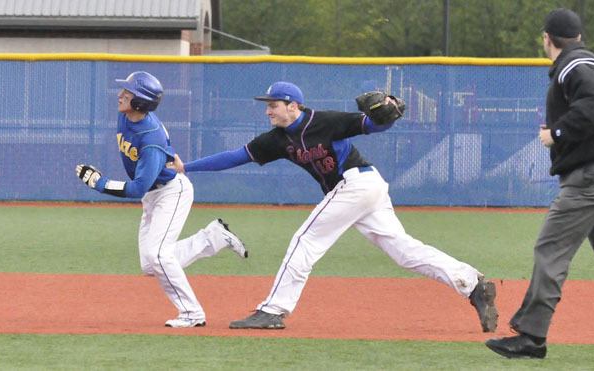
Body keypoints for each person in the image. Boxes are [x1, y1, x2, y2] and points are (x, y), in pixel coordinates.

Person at [170, 81, 499, 332]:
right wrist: (188, 167)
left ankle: (273, 310)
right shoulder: (276, 139)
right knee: (404, 252)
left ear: (293, 105)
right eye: (267, 105)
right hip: (359, 190)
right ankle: (473, 284)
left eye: (273, 105)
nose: (268, 111)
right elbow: (235, 157)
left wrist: (389, 112)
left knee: (305, 240)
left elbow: (372, 125)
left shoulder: (323, 121)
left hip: (357, 183)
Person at [486, 8, 594, 359]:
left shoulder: (575, 64)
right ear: (576, 36)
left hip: (589, 179)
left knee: (551, 250)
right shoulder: (584, 61)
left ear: (547, 39)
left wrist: (557, 133)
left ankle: (531, 335)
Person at [75, 71, 248, 328]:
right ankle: (213, 237)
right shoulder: (126, 116)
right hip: (154, 194)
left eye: (128, 92)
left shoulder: (150, 138)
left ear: (140, 103)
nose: (121, 95)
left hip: (171, 192)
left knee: (158, 255)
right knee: (150, 263)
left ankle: (192, 313)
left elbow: (137, 188)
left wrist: (101, 184)